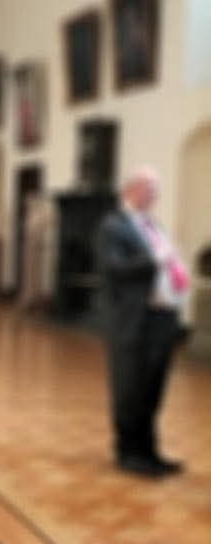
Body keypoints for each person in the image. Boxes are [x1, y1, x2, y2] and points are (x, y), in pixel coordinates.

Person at [95, 166, 191, 477]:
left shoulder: (153, 225)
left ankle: (150, 452)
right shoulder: (113, 226)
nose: (154, 196)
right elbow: (114, 269)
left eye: (156, 190)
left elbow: (167, 262)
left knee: (152, 389)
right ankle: (128, 453)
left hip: (162, 317)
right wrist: (155, 261)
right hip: (133, 321)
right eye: (149, 189)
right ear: (130, 190)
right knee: (130, 389)